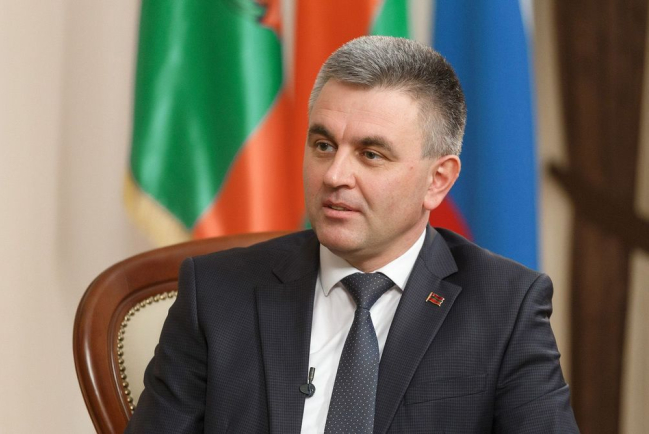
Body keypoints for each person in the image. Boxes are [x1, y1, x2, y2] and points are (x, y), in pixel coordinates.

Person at [126, 36, 578, 433]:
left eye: (371, 154)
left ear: (437, 180)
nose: (335, 175)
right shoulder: (217, 293)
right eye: (323, 146)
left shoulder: (505, 307)